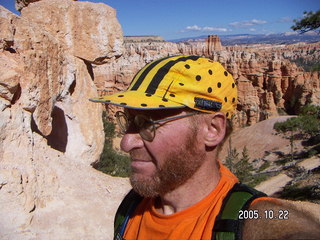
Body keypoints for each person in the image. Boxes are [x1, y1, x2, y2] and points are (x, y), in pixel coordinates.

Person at [91, 55, 320, 240]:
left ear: (212, 130)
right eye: (128, 121)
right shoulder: (131, 208)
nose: (126, 142)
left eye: (147, 123)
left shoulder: (244, 219)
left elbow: (280, 226)